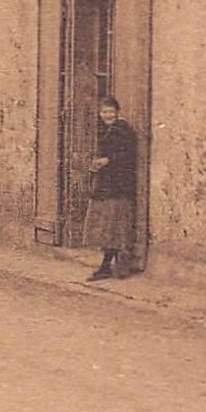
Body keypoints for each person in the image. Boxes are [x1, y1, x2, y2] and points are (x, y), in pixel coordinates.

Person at [82, 96, 139, 281]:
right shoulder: (108, 130)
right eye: (104, 112)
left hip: (117, 186)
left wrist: (108, 160)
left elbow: (128, 155)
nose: (107, 115)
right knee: (110, 229)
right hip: (108, 185)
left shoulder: (122, 130)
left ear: (117, 112)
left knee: (114, 228)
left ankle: (111, 267)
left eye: (111, 112)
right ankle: (111, 266)